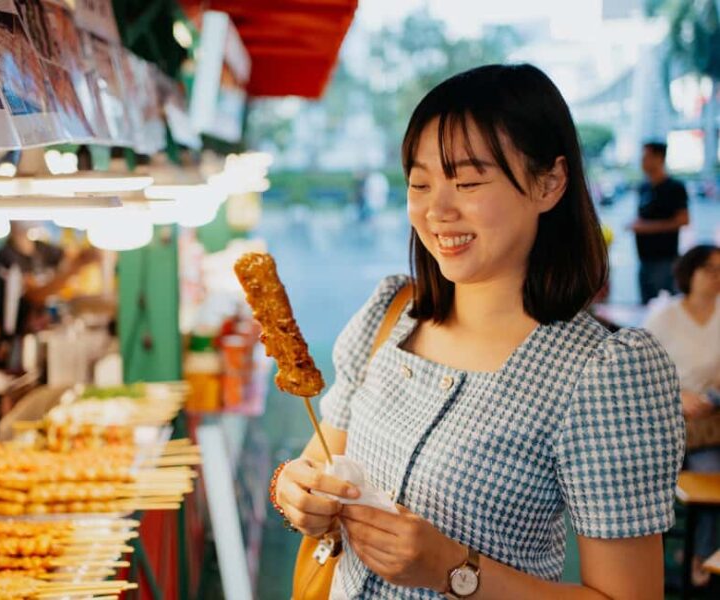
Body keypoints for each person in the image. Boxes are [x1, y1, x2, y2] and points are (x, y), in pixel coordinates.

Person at [271, 64, 684, 599]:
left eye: (468, 181)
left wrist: (452, 569)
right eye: (420, 183)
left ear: (549, 183)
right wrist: (294, 489)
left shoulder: (604, 372)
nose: (438, 210)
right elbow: (319, 460)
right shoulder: (390, 315)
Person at [643, 244, 720, 586]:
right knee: (704, 476)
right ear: (691, 273)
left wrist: (712, 396)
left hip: (711, 420)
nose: (717, 277)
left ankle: (701, 554)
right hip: (667, 420)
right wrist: (677, 396)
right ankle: (679, 556)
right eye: (710, 269)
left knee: (712, 478)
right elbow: (640, 373)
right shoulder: (665, 316)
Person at [0, 222, 100, 364]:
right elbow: (35, 295)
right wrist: (74, 269)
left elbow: (68, 256)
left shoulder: (41, 249)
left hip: (42, 337)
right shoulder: (6, 257)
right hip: (14, 344)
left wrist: (84, 254)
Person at [630, 141, 689, 304]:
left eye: (646, 157)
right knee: (646, 307)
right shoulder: (644, 187)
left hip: (665, 259)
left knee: (664, 306)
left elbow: (683, 220)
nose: (642, 161)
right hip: (644, 258)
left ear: (659, 158)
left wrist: (646, 228)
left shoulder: (674, 187)